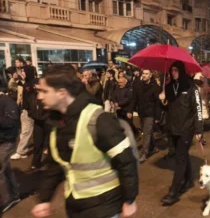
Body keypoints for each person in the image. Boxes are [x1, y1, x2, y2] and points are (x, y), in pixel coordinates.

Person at [31, 66, 138, 218]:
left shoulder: (98, 120)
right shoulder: (57, 123)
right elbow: (57, 164)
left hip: (104, 207)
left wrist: (129, 199)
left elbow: (126, 160)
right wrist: (44, 198)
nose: (39, 97)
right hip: (76, 206)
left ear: (62, 93)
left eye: (44, 91)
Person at [159, 61, 203, 205]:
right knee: (182, 155)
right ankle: (189, 180)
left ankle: (174, 191)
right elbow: (168, 109)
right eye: (172, 70)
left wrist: (199, 129)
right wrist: (162, 101)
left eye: (176, 70)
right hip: (174, 129)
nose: (173, 72)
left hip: (186, 129)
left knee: (180, 159)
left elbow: (198, 109)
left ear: (182, 71)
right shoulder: (170, 87)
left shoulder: (192, 88)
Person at [129, 69, 161, 163]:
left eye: (146, 74)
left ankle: (144, 153)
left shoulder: (155, 87)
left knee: (146, 133)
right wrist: (130, 110)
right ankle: (154, 147)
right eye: (143, 73)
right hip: (141, 112)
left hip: (150, 113)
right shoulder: (137, 85)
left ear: (150, 75)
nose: (144, 75)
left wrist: (157, 117)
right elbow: (134, 98)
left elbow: (157, 103)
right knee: (147, 131)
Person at [0, 93, 21, 213]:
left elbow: (12, 122)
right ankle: (14, 195)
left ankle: (7, 200)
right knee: (5, 169)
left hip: (7, 141)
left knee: (1, 170)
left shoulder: (8, 102)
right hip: (2, 140)